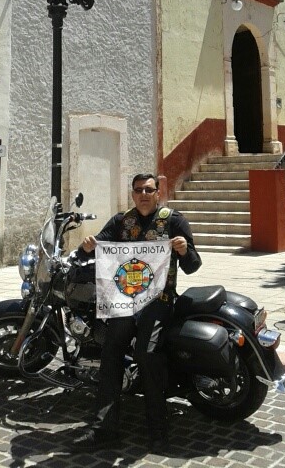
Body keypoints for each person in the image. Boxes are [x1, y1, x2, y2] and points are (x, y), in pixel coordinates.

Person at [70, 172, 202, 454]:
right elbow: (92, 251)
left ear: (158, 192)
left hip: (159, 300)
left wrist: (183, 250)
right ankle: (103, 428)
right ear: (132, 193)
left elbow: (193, 265)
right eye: (138, 190)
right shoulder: (121, 221)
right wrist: (86, 246)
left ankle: (157, 430)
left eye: (149, 190)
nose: (144, 194)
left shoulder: (174, 220)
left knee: (147, 353)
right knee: (111, 350)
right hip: (124, 301)